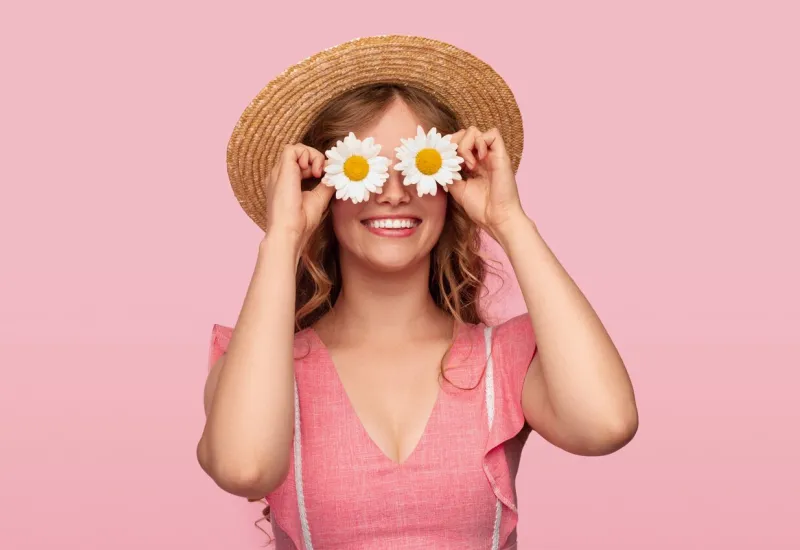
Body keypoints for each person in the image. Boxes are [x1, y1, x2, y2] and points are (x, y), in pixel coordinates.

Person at [197, 35, 638, 550]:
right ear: (321, 187)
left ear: (452, 182)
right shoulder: (263, 369)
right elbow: (243, 466)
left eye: (418, 164)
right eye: (363, 166)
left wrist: (508, 220)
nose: (392, 191)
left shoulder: (505, 362)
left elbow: (606, 424)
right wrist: (283, 238)